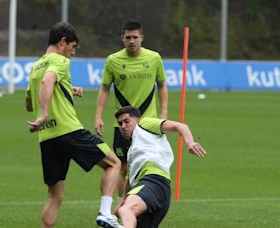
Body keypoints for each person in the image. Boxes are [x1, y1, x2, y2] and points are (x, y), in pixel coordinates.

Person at [25, 22, 123, 228]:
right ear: (63, 42)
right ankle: (105, 213)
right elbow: (48, 82)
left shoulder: (36, 67)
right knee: (114, 164)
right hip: (68, 130)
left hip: (47, 137)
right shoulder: (59, 61)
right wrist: (44, 113)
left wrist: (67, 90)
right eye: (73, 46)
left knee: (55, 196)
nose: (73, 53)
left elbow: (29, 102)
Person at [94, 20, 168, 202]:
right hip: (122, 125)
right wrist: (98, 116)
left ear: (142, 37)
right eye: (128, 37)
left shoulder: (154, 58)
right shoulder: (113, 60)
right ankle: (122, 203)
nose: (132, 41)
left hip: (148, 123)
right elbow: (104, 89)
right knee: (122, 166)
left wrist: (164, 111)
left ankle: (142, 200)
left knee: (147, 164)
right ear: (122, 38)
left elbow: (162, 85)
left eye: (135, 37)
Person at [113, 106, 206, 228]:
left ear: (138, 120)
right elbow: (128, 183)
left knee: (126, 210)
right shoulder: (131, 152)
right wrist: (117, 210)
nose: (123, 126)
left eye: (127, 121)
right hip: (155, 190)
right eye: (120, 124)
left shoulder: (144, 124)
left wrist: (190, 143)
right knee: (126, 211)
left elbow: (180, 126)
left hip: (154, 182)